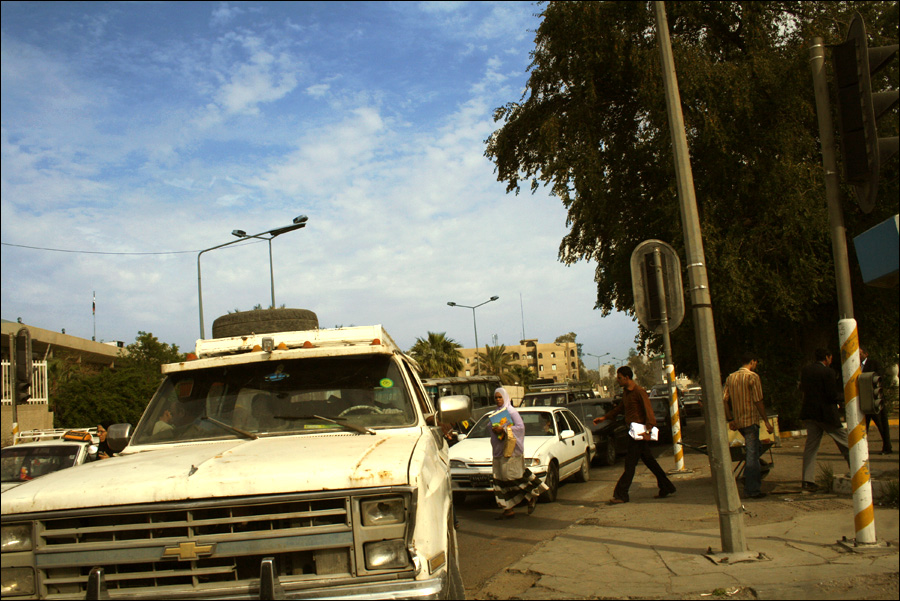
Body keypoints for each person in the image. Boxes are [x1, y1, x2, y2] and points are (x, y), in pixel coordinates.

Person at [594, 366, 676, 504]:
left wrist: (649, 429)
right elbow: (620, 408)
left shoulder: (639, 391)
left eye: (619, 378)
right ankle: (666, 486)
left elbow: (648, 411)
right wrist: (605, 418)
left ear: (627, 377)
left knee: (630, 464)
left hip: (639, 432)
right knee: (650, 461)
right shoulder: (626, 393)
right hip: (633, 431)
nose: (618, 381)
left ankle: (621, 494)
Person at [489, 387, 548, 519]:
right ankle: (508, 508)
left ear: (505, 397)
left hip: (511, 451)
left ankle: (531, 495)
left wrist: (503, 429)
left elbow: (520, 428)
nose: (498, 400)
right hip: (498, 451)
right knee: (500, 480)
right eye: (496, 397)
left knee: (513, 478)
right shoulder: (496, 412)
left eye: (500, 397)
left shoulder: (511, 411)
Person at [723, 353, 774, 499]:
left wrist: (730, 419)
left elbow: (724, 400)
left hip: (738, 422)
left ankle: (749, 475)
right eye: (755, 362)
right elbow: (758, 401)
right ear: (752, 362)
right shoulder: (752, 377)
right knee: (752, 454)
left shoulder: (730, 377)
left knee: (755, 449)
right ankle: (752, 489)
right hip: (751, 421)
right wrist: (766, 421)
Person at [800, 349, 851, 492]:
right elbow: (831, 395)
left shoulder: (806, 370)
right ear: (827, 358)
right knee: (846, 443)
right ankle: (857, 470)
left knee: (811, 447)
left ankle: (807, 480)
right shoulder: (828, 372)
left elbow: (803, 389)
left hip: (809, 413)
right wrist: (845, 396)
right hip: (826, 414)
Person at [861, 346, 892, 455]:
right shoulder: (854, 365)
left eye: (860, 354)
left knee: (881, 425)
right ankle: (862, 449)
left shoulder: (873, 363)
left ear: (866, 354)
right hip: (863, 401)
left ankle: (887, 447)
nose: (859, 356)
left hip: (875, 400)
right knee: (863, 427)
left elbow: (879, 377)